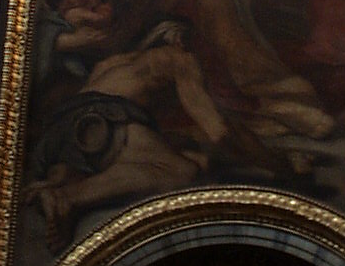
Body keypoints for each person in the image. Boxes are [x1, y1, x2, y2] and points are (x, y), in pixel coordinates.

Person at [26, 21, 277, 251]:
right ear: (178, 38)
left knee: (172, 158)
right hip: (105, 116)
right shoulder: (177, 58)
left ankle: (57, 185)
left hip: (59, 137)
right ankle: (67, 197)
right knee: (183, 172)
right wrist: (274, 167)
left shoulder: (113, 64)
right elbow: (217, 131)